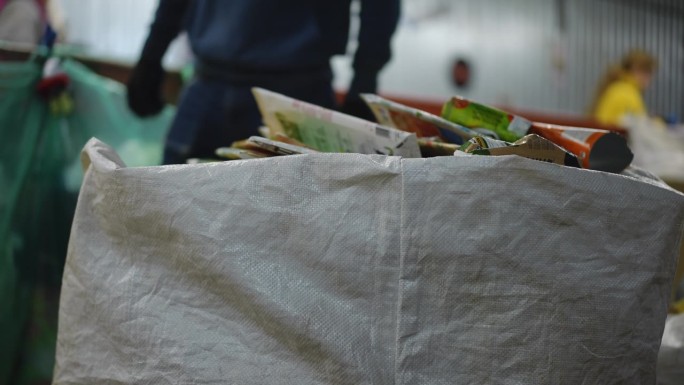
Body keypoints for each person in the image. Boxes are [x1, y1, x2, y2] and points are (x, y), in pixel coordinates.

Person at [127, 0, 400, 164]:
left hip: (295, 97)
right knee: (172, 216)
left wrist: (364, 82)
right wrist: (151, 56)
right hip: (207, 88)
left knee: (288, 234)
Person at [591, 49, 657, 127]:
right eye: (644, 71)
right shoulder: (627, 93)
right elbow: (640, 127)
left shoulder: (617, 87)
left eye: (649, 72)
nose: (648, 77)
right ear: (632, 70)